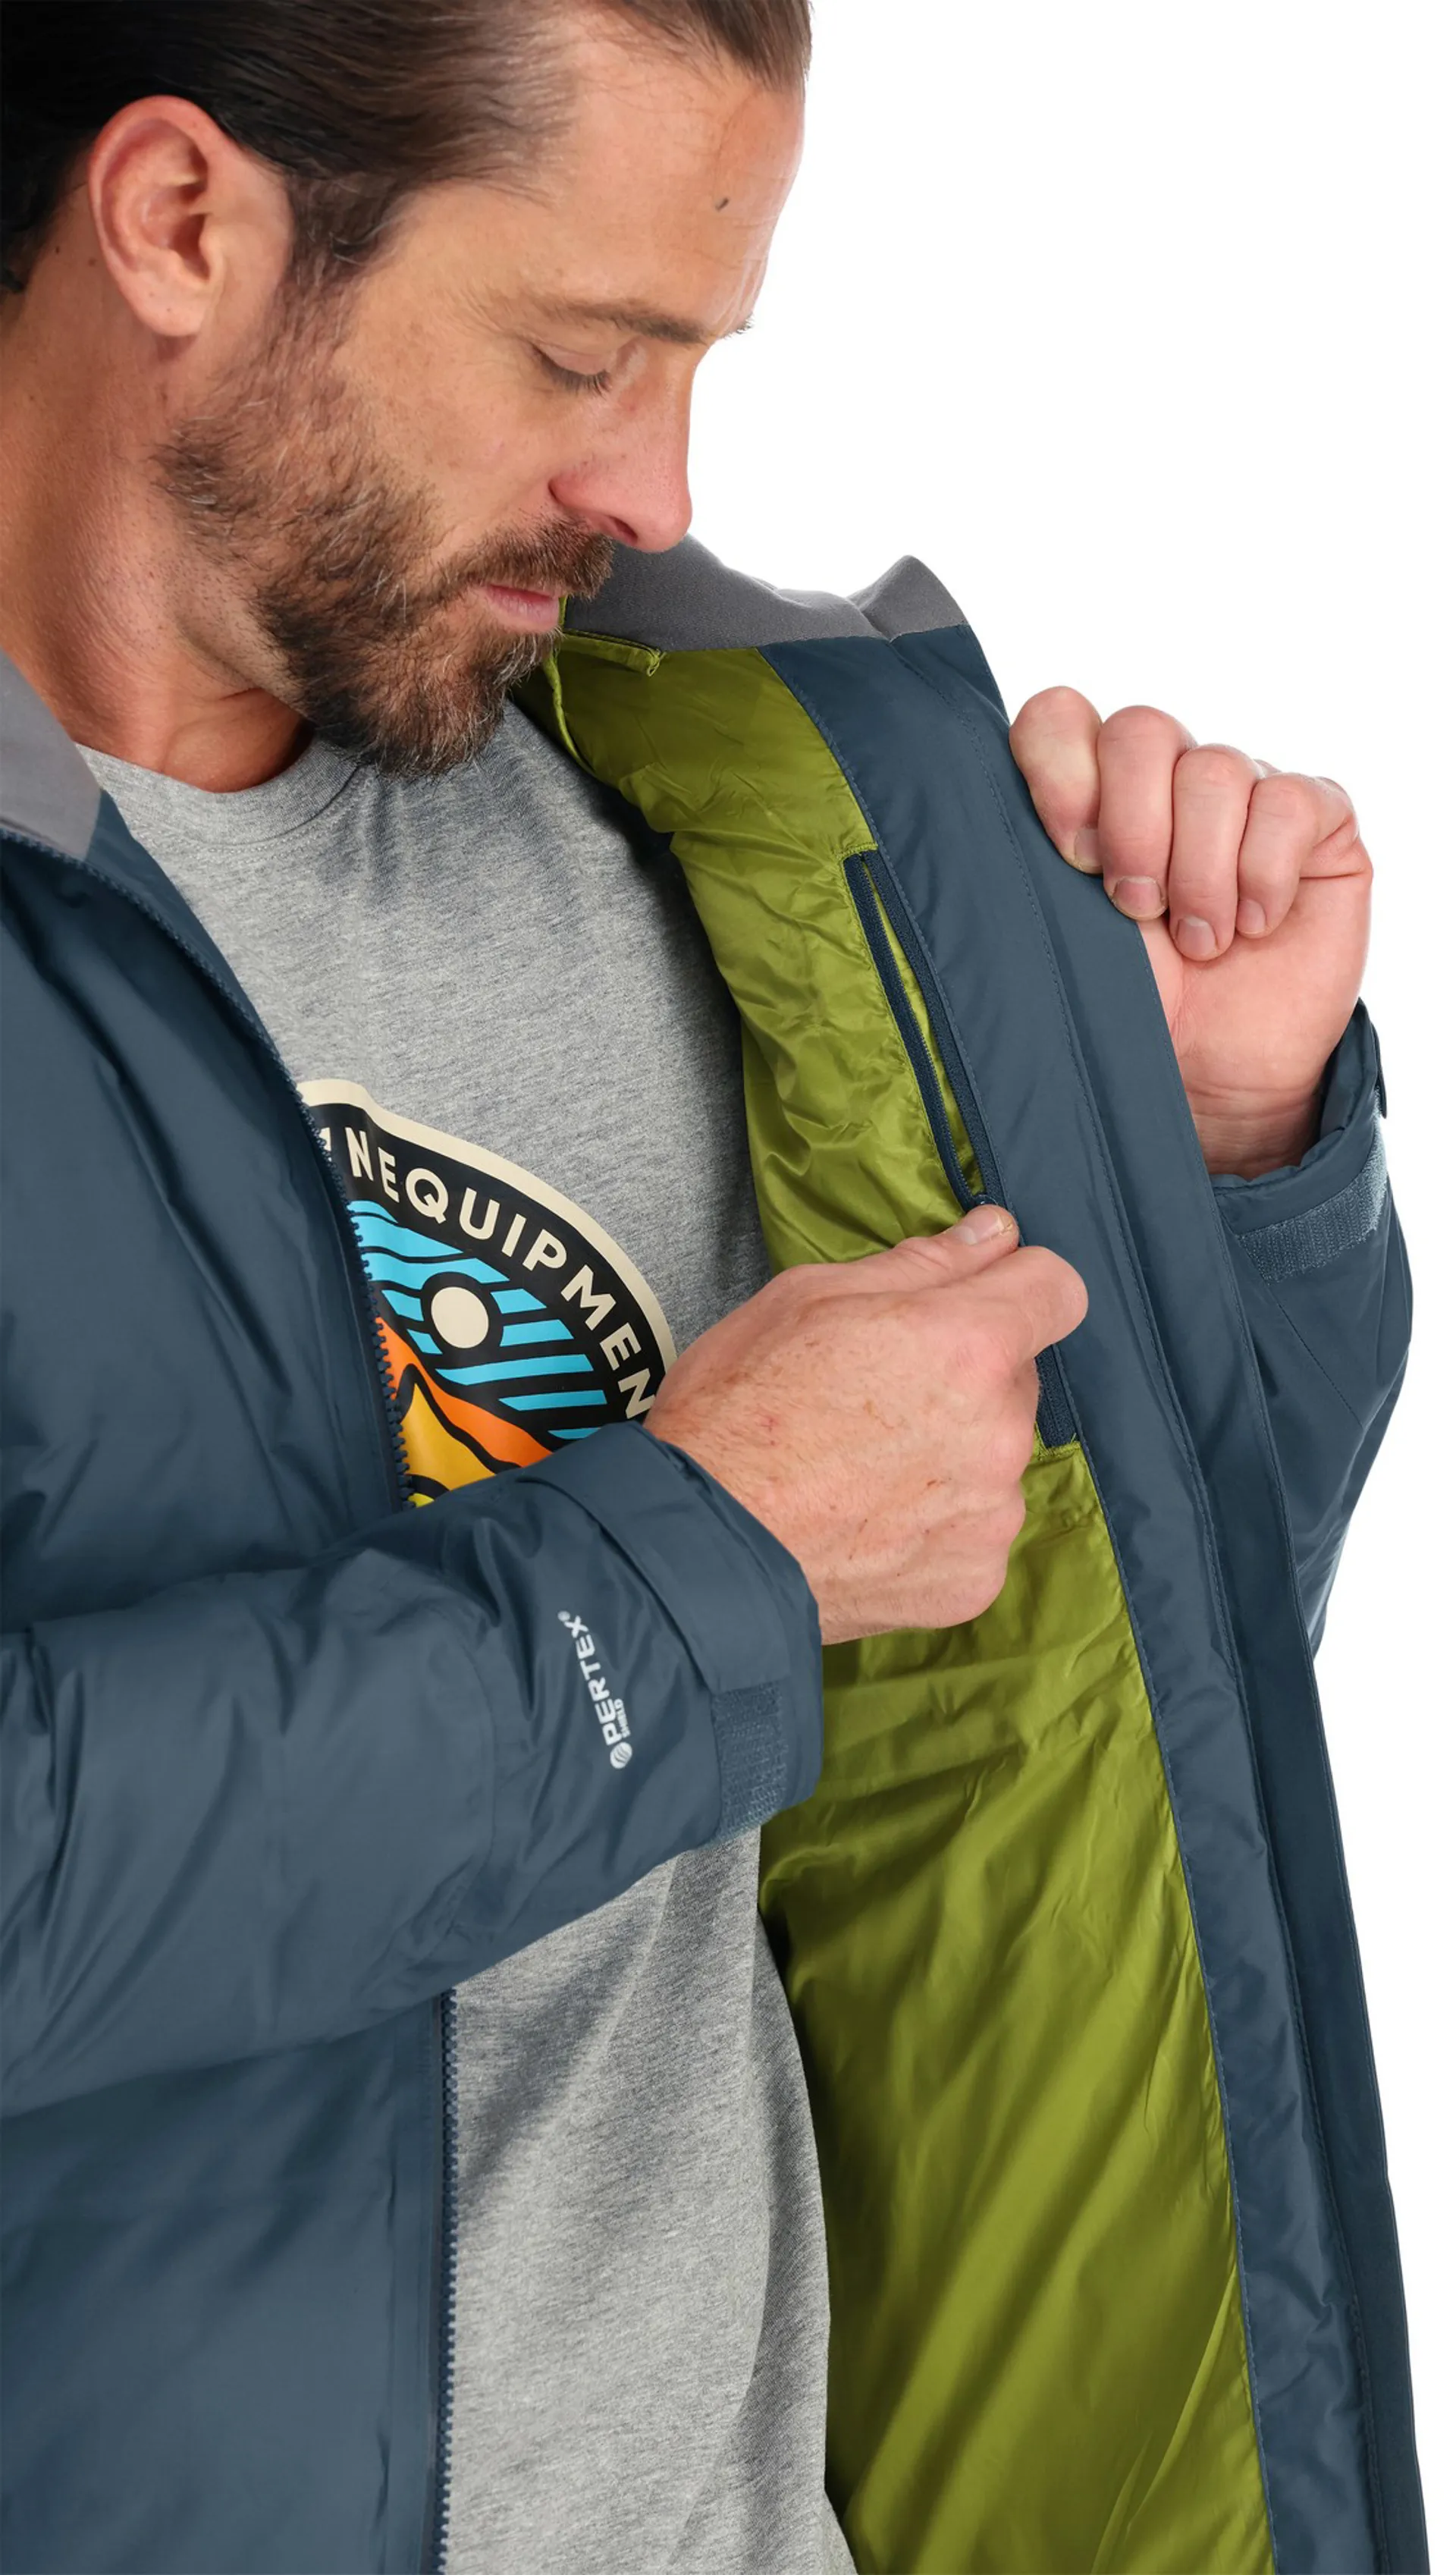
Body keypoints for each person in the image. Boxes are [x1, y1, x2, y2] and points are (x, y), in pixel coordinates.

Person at [0, 5, 1424, 2574]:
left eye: (697, 362)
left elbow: (1069, 1726)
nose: (654, 490)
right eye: (579, 354)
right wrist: (690, 1566)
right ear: (183, 222)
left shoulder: (741, 833)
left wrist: (1208, 1179)